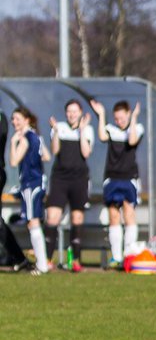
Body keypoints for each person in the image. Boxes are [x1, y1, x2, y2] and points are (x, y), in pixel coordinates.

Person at [90, 99, 144, 267]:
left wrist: (133, 119)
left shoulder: (137, 128)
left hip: (129, 178)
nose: (119, 121)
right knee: (114, 215)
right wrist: (101, 115)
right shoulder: (111, 130)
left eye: (122, 118)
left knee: (129, 213)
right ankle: (116, 256)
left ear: (128, 114)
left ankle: (129, 253)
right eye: (116, 118)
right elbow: (101, 136)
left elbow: (133, 141)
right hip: (112, 178)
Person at [46, 100, 94, 271]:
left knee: (77, 218)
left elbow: (86, 152)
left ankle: (76, 260)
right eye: (69, 111)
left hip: (79, 179)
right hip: (60, 178)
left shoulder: (87, 129)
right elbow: (55, 150)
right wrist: (56, 132)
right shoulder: (59, 126)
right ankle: (47, 259)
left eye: (75, 111)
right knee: (52, 217)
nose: (72, 114)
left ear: (80, 112)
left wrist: (81, 131)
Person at [8, 107, 51, 274]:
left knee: (33, 221)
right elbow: (46, 156)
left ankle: (42, 264)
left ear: (26, 120)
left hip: (31, 184)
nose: (14, 122)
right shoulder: (37, 137)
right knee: (33, 221)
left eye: (17, 119)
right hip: (38, 182)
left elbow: (13, 161)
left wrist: (13, 143)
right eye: (13, 119)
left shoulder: (26, 138)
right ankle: (42, 263)